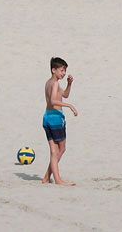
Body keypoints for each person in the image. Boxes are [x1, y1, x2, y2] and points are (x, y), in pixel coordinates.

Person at [42, 56, 78, 185]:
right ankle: (57, 179)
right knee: (61, 149)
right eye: (62, 70)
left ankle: (47, 178)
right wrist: (69, 106)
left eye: (65, 71)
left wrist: (69, 84)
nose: (63, 73)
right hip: (56, 118)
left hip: (47, 117)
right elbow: (53, 101)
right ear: (54, 70)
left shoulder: (49, 82)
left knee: (54, 151)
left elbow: (65, 95)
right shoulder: (55, 83)